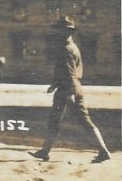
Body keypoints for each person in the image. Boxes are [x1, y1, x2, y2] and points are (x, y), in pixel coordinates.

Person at [29, 16, 111, 164]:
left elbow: (70, 73)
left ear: (68, 32)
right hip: (69, 87)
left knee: (81, 121)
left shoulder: (66, 49)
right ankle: (45, 151)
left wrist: (69, 93)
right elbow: (67, 71)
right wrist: (55, 83)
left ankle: (104, 151)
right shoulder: (72, 47)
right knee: (60, 120)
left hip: (68, 89)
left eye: (61, 30)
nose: (58, 33)